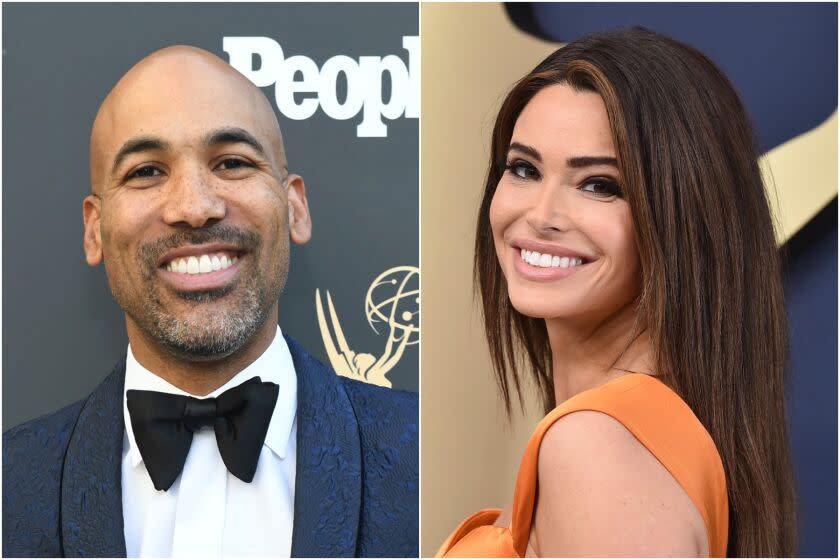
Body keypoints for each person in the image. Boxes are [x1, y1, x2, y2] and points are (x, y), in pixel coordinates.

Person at [3, 46, 418, 558]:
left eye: (232, 162)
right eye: (147, 172)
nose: (195, 207)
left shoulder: (428, 460)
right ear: (94, 229)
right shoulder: (10, 485)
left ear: (295, 208)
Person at [437, 28, 795, 558]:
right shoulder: (626, 436)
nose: (539, 215)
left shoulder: (598, 447)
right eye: (524, 169)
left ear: (683, 219)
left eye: (599, 184)